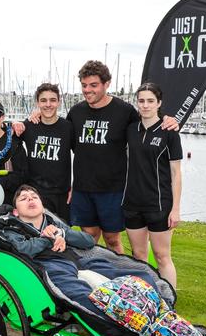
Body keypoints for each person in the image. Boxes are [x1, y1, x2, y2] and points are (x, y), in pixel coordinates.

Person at [67, 61, 179, 254]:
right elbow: (65, 143)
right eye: (84, 85)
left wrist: (168, 119)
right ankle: (94, 278)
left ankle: (118, 277)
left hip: (113, 188)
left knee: (112, 239)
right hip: (83, 188)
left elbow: (148, 124)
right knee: (89, 237)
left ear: (106, 84)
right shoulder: (76, 112)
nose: (87, 90)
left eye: (93, 85)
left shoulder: (124, 111)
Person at [0, 185, 159, 316]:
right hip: (52, 268)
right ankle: (123, 326)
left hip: (78, 262)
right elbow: (22, 250)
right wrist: (47, 238)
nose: (30, 200)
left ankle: (156, 311)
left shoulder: (54, 222)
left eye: (34, 197)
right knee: (90, 297)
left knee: (140, 276)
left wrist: (62, 233)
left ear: (42, 205)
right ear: (16, 212)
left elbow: (88, 241)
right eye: (24, 199)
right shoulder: (13, 229)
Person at [122, 82, 182, 288]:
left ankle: (169, 301)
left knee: (161, 255)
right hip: (132, 203)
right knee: (139, 255)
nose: (145, 105)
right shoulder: (130, 129)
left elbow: (176, 173)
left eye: (150, 101)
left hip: (159, 204)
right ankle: (143, 297)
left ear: (159, 103)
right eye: (141, 101)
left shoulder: (169, 132)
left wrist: (175, 209)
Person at [19, 83, 72, 222]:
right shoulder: (29, 125)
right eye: (43, 100)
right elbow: (2, 134)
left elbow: (83, 157)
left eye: (52, 100)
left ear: (59, 102)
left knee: (62, 237)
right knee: (36, 235)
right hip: (35, 194)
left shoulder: (68, 127)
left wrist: (76, 185)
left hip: (61, 195)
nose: (48, 104)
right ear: (37, 103)